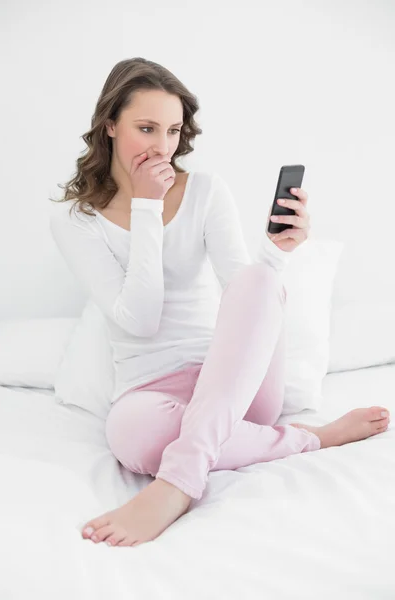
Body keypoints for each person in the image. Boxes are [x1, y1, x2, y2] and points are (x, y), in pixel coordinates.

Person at [49, 57, 390, 548]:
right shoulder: (76, 221)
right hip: (150, 389)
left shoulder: (205, 191)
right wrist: (146, 205)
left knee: (256, 278)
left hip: (234, 381)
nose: (162, 147)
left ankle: (177, 481)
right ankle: (312, 438)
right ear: (109, 126)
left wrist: (277, 253)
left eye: (171, 130)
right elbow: (140, 321)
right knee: (131, 437)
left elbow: (247, 297)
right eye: (145, 128)